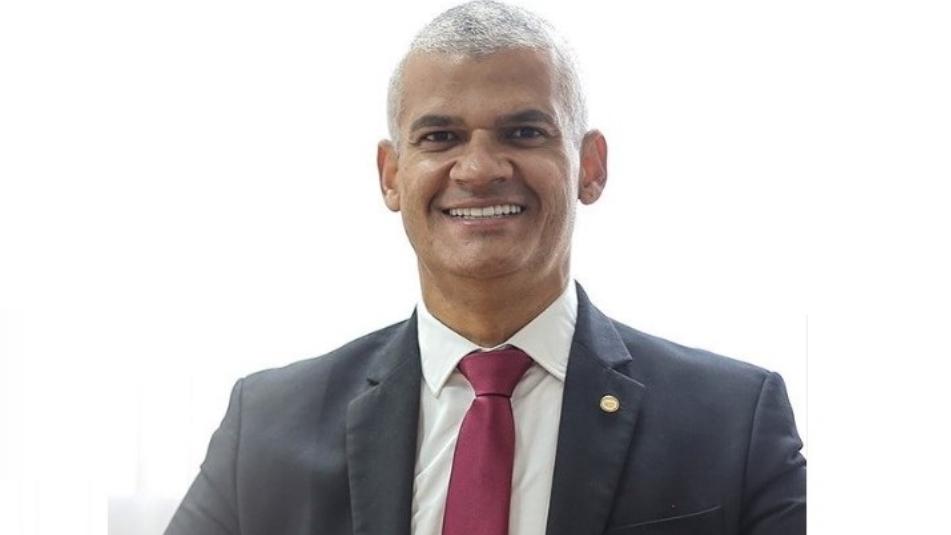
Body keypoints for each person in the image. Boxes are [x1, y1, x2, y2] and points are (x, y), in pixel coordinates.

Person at [165, 1, 806, 534]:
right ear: (391, 175)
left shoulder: (734, 424)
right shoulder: (266, 425)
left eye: (523, 133)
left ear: (591, 167)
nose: (478, 169)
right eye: (440, 137)